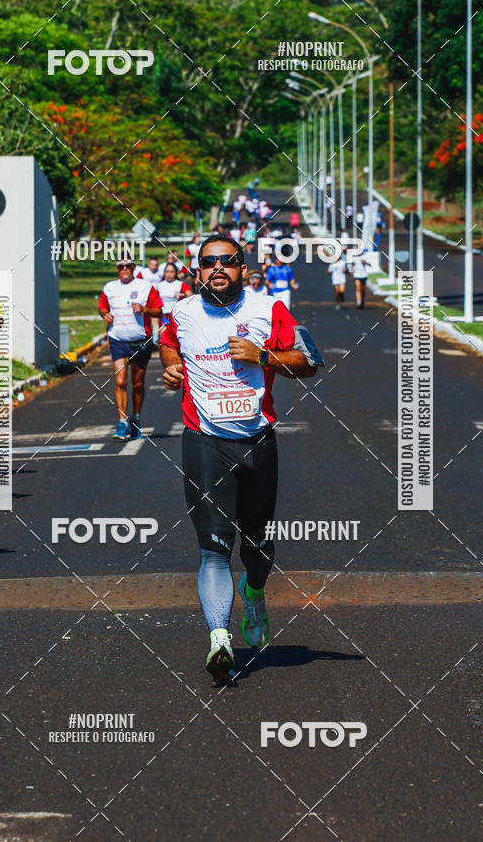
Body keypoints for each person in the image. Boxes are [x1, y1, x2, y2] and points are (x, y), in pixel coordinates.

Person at [160, 235, 323, 683]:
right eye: (209, 262)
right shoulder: (183, 313)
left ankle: (254, 591)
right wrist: (171, 367)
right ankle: (219, 638)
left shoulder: (268, 310)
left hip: (257, 441)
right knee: (213, 546)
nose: (218, 268)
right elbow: (170, 345)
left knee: (256, 547)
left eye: (227, 262)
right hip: (204, 439)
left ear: (243, 269)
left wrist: (264, 355)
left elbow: (309, 362)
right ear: (198, 270)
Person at [98, 258, 163, 441]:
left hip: (140, 341)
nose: (125, 269)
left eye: (128, 266)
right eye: (121, 266)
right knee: (120, 381)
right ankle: (122, 422)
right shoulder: (110, 287)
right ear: (117, 268)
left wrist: (144, 309)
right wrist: (105, 314)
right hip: (117, 339)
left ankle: (136, 418)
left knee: (138, 383)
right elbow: (102, 306)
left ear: (134, 268)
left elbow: (159, 310)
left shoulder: (145, 286)